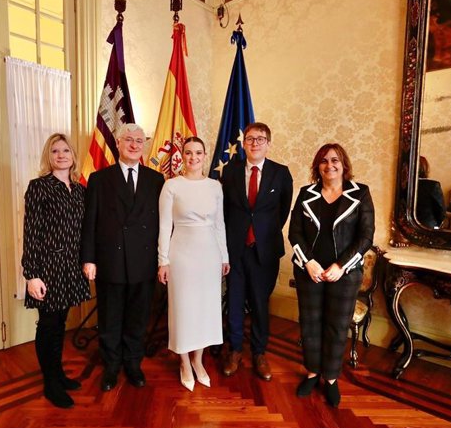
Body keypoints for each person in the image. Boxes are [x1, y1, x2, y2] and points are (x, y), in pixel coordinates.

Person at [288, 143, 374, 407]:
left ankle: (332, 379)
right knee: (310, 324)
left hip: (344, 274)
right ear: (318, 166)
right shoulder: (306, 193)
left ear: (344, 164)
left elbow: (365, 237)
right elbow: (295, 233)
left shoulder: (360, 194)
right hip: (309, 272)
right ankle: (313, 373)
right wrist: (309, 263)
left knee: (337, 327)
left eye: (335, 160)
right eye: (324, 161)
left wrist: (341, 266)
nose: (330, 165)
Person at [81, 123, 165, 392]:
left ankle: (132, 363)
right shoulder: (99, 179)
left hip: (143, 261)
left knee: (138, 318)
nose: (134, 144)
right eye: (128, 139)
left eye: (139, 140)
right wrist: (89, 259)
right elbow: (90, 223)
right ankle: (111, 366)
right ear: (117, 143)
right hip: (111, 261)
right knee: (110, 317)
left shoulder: (156, 180)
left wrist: (164, 260)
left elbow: (163, 225)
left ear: (144, 145)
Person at [22, 133, 91, 409]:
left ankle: (58, 373)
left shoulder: (81, 190)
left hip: (71, 267)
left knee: (60, 323)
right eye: (54, 151)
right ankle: (50, 382)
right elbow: (31, 232)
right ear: (48, 157)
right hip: (47, 268)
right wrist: (32, 274)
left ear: (73, 155)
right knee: (48, 325)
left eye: (65, 150)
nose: (61, 155)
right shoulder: (39, 187)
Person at [221, 122, 293, 381]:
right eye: (250, 139)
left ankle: (259, 353)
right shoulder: (230, 172)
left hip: (265, 250)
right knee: (235, 301)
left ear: (268, 143)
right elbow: (225, 210)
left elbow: (283, 211)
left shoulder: (281, 173)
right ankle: (235, 350)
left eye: (260, 139)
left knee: (261, 304)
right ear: (243, 143)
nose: (254, 143)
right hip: (235, 249)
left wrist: (262, 233)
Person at [157, 137, 230, 391]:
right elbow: (165, 226)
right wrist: (162, 261)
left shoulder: (215, 186)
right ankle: (184, 362)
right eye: (188, 153)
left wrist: (224, 256)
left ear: (204, 154)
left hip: (209, 254)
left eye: (198, 152)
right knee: (184, 309)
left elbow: (220, 224)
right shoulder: (171, 186)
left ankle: (199, 361)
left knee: (205, 309)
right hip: (182, 255)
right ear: (182, 156)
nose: (193, 157)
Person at [416, 156, 445, 228]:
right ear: (425, 168)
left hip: (405, 225)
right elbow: (440, 209)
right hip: (428, 225)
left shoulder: (403, 184)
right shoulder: (433, 185)